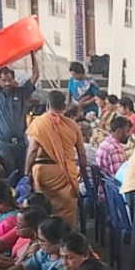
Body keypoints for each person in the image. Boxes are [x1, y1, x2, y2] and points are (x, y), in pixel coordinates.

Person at [25, 91, 87, 229]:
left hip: (43, 173)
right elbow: (82, 155)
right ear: (64, 106)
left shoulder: (39, 123)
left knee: (45, 210)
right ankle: (67, 240)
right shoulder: (73, 125)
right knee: (67, 211)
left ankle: (46, 239)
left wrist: (27, 172)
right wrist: (83, 173)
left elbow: (33, 150)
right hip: (66, 173)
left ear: (47, 105)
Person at [0, 54, 38, 176]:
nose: (7, 83)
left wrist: (32, 54)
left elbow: (35, 75)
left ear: (14, 80)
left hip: (21, 143)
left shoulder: (22, 93)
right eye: (4, 80)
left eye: (9, 80)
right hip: (4, 144)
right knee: (9, 173)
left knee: (23, 174)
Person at [0, 217, 70, 270]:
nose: (39, 244)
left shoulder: (63, 264)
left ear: (58, 243)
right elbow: (24, 267)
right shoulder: (44, 253)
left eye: (43, 241)